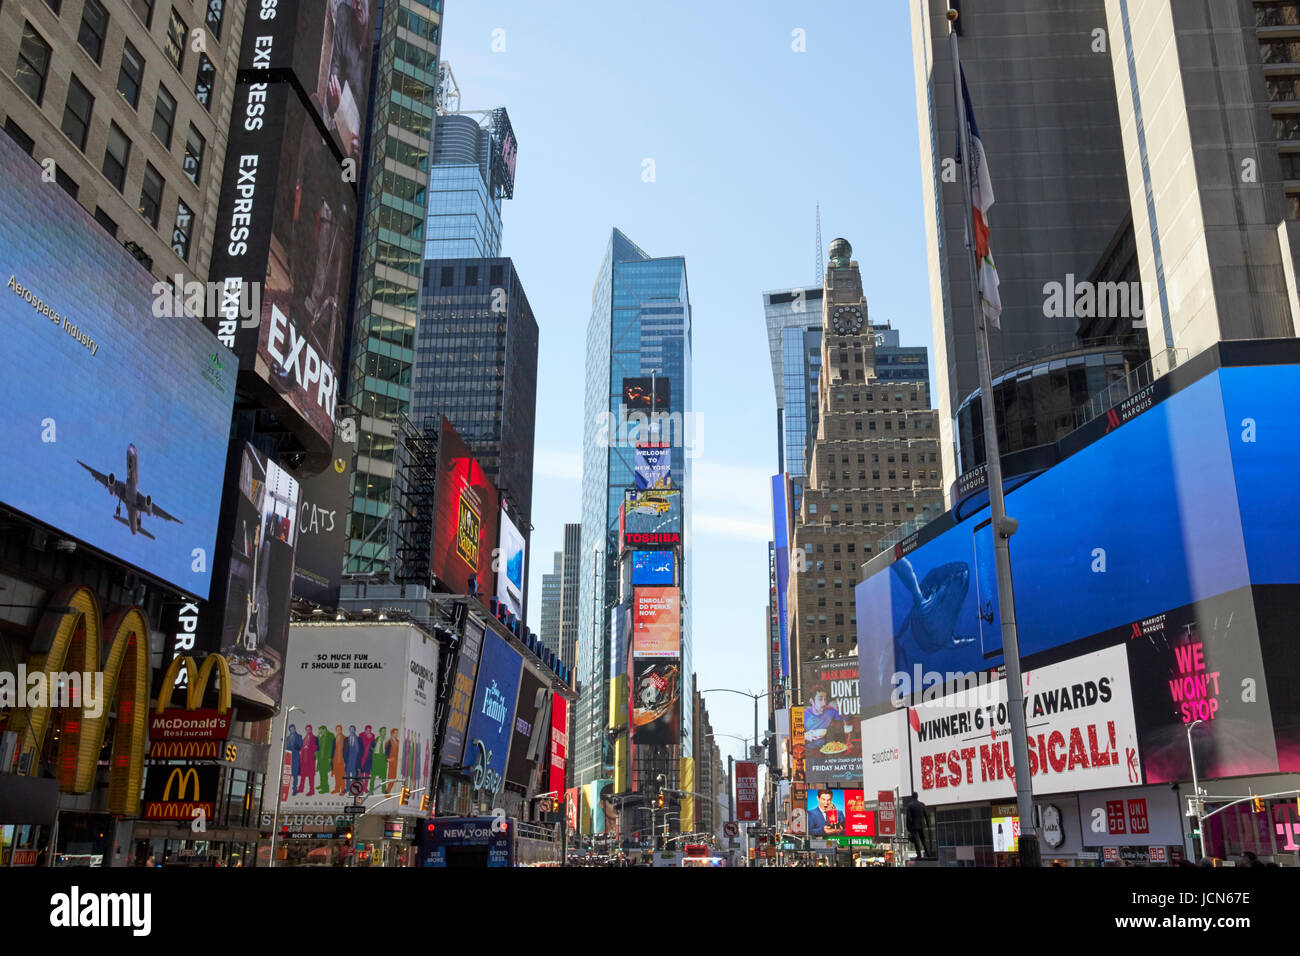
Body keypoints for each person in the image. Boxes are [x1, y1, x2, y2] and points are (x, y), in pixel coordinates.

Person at [803, 684, 842, 752]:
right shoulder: (804, 714)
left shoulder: (831, 711)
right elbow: (793, 737)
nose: (824, 703)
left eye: (825, 699)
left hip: (826, 750)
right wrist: (804, 736)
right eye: (820, 699)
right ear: (811, 701)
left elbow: (844, 723)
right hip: (808, 752)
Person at [905, 791, 930, 857]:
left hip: (914, 826)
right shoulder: (922, 804)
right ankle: (928, 853)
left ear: (912, 797)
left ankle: (919, 855)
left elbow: (908, 818)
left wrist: (908, 827)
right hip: (922, 825)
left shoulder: (910, 805)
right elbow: (926, 815)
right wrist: (928, 824)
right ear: (917, 796)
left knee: (916, 841)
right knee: (923, 840)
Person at [316, 723, 334, 794]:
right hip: (321, 758)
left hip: (327, 758)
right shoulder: (321, 737)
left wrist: (330, 757)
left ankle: (326, 788)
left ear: (325, 729)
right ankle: (322, 785)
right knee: (321, 772)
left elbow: (332, 747)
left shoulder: (330, 735)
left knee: (324, 773)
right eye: (319, 731)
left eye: (321, 730)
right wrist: (318, 736)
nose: (320, 732)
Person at [285, 723, 303, 795]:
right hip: (288, 757)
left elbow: (300, 746)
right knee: (287, 773)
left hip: (295, 757)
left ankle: (294, 789)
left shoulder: (299, 736)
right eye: (290, 729)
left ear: (295, 729)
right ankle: (286, 788)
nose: (292, 730)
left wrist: (292, 747)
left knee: (295, 774)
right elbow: (286, 747)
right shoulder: (287, 738)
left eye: (293, 729)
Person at [301, 725, 318, 796]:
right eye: (307, 729)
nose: (308, 731)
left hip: (310, 760)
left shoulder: (315, 738)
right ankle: (301, 788)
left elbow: (317, 747)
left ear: (311, 730)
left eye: (309, 729)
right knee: (303, 775)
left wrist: (309, 747)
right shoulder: (304, 738)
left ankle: (311, 791)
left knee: (311, 776)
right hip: (304, 760)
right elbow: (301, 748)